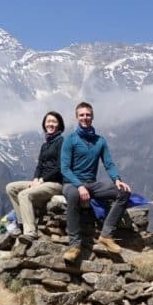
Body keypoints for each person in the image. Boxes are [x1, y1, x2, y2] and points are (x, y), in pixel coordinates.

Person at [60, 101, 131, 261]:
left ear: (92, 117)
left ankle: (106, 235)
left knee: (123, 192)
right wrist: (79, 186)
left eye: (88, 115)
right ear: (77, 117)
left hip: (91, 183)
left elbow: (109, 163)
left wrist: (117, 179)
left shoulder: (100, 141)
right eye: (82, 115)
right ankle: (74, 245)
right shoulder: (70, 140)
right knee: (73, 196)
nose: (85, 118)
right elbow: (65, 169)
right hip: (71, 183)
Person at [5, 111, 66, 243]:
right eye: (48, 121)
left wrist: (42, 180)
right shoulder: (45, 145)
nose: (50, 124)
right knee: (11, 188)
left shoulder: (62, 142)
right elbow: (40, 166)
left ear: (59, 125)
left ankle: (30, 232)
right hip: (41, 182)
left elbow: (61, 168)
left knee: (23, 195)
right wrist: (35, 179)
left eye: (54, 121)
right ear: (44, 124)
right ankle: (21, 224)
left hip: (55, 183)